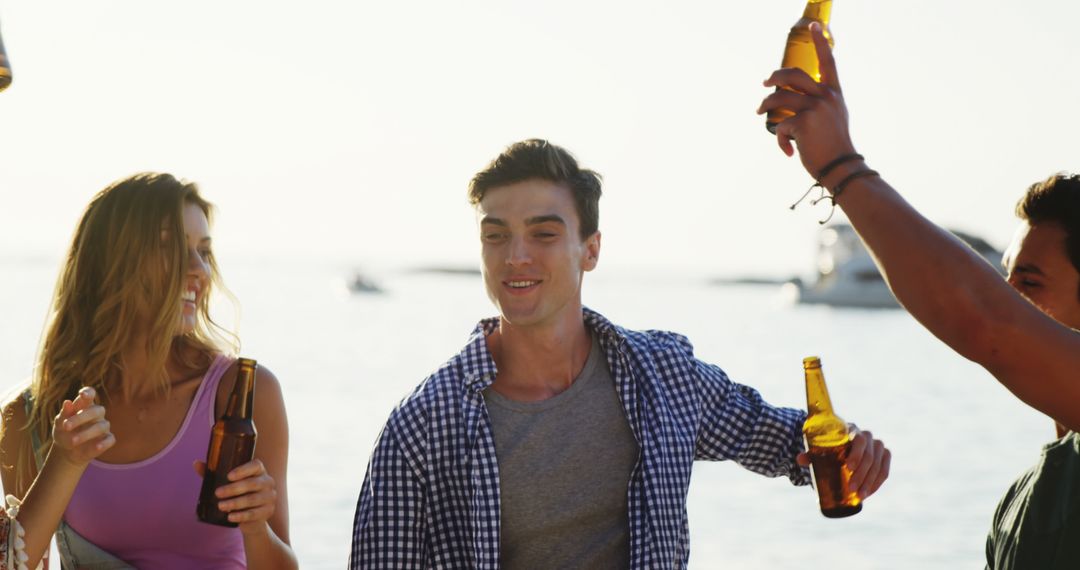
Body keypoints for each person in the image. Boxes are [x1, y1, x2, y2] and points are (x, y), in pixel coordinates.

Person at [349, 139, 891, 569]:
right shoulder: (423, 424)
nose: (515, 256)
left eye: (542, 234)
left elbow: (781, 439)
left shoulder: (662, 375)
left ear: (591, 250)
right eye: (496, 236)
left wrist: (851, 452)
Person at [756, 22, 1080, 570]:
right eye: (1003, 279)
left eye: (1029, 283)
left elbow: (983, 321)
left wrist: (839, 166)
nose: (1007, 298)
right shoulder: (1021, 498)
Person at [0, 173, 298, 569]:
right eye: (172, 248)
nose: (198, 271)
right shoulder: (29, 417)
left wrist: (256, 528)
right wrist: (66, 463)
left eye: (204, 251)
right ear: (110, 263)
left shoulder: (242, 396)